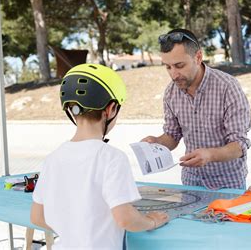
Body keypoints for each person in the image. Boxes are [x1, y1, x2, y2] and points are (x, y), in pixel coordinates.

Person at [30, 63, 168, 249]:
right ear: (110, 109)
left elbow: (37, 217)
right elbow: (125, 218)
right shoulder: (112, 158)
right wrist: (151, 221)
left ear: (71, 110)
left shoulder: (52, 159)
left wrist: (74, 228)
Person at [142, 29, 251, 190]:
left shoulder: (228, 87)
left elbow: (239, 146)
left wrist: (210, 155)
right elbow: (172, 135)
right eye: (168, 67)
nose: (174, 75)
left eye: (179, 65)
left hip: (228, 184)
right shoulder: (171, 92)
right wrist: (157, 142)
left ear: (198, 57)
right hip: (191, 183)